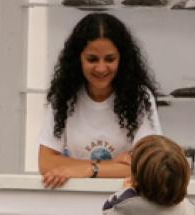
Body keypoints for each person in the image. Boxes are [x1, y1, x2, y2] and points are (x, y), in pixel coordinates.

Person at [38, 13, 162, 189]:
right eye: (92, 59)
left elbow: (149, 164)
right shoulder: (63, 96)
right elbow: (46, 163)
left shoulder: (140, 96)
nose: (101, 68)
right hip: (75, 199)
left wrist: (89, 169)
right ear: (77, 59)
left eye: (110, 59)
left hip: (125, 200)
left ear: (122, 59)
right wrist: (111, 167)